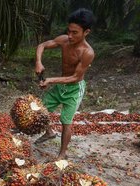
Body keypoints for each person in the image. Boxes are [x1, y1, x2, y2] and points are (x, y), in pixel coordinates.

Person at [34, 8, 95, 160]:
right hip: (61, 85)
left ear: (86, 32)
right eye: (69, 31)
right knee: (41, 110)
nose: (70, 35)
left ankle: (62, 154)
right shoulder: (64, 40)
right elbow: (42, 46)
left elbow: (75, 77)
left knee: (66, 121)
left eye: (75, 32)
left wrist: (50, 80)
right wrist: (38, 62)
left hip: (74, 88)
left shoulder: (87, 53)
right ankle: (49, 132)